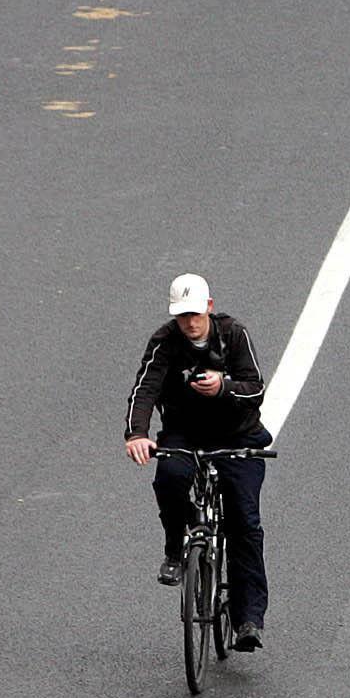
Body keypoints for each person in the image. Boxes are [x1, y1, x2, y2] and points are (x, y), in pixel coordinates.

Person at [125, 272, 273, 652]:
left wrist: (223, 387)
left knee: (244, 521)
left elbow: (255, 386)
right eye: (181, 316)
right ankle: (176, 547)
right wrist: (137, 434)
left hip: (237, 436)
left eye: (195, 314)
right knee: (170, 478)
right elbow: (145, 387)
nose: (189, 323)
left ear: (208, 307)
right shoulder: (165, 342)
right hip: (184, 434)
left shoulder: (233, 334)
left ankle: (247, 619)